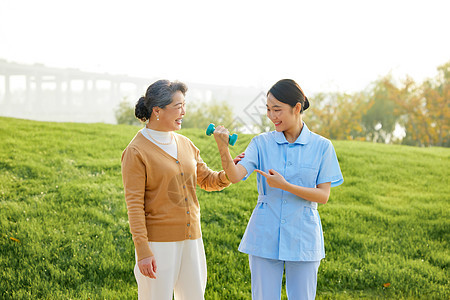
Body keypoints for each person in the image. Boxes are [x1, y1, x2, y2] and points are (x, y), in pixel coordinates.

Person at [213, 79, 344, 300]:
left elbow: (323, 196)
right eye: (268, 110)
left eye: (277, 110)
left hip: (303, 237)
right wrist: (222, 148)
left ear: (297, 108)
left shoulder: (322, 146)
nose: (272, 116)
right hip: (264, 235)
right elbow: (235, 176)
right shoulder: (260, 143)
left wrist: (285, 186)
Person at [121, 79, 238, 300]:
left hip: (192, 239)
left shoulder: (185, 144)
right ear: (157, 110)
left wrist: (229, 166)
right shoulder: (136, 151)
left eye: (184, 105)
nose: (183, 112)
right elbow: (134, 206)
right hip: (158, 244)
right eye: (178, 106)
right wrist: (143, 251)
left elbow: (208, 180)